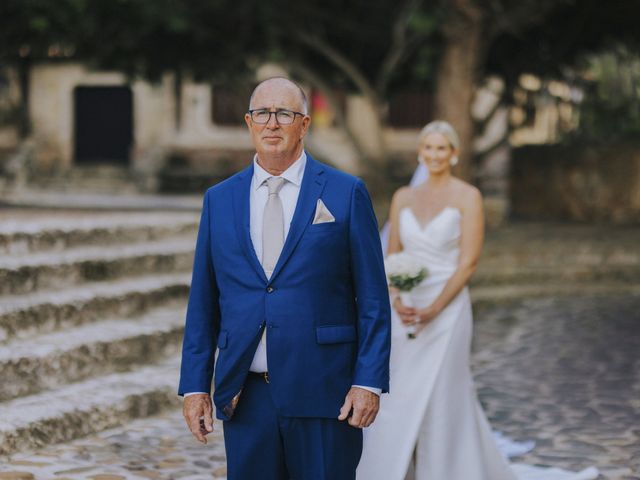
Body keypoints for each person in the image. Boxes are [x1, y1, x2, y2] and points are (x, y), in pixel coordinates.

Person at [357, 121, 599, 480]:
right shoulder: (402, 198)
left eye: (442, 148)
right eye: (428, 148)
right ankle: (395, 467)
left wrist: (434, 309)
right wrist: (396, 299)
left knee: (443, 392)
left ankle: (443, 470)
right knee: (400, 389)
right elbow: (390, 257)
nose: (435, 155)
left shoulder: (468, 196)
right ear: (420, 153)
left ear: (453, 154)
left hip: (448, 308)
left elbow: (468, 261)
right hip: (404, 309)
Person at [178, 77, 391, 480]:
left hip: (325, 389)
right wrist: (194, 386)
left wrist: (369, 382)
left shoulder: (346, 193)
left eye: (284, 114)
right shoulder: (219, 199)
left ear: (304, 124)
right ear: (249, 122)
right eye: (262, 114)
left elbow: (374, 300)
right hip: (244, 395)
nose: (272, 124)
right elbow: (203, 301)